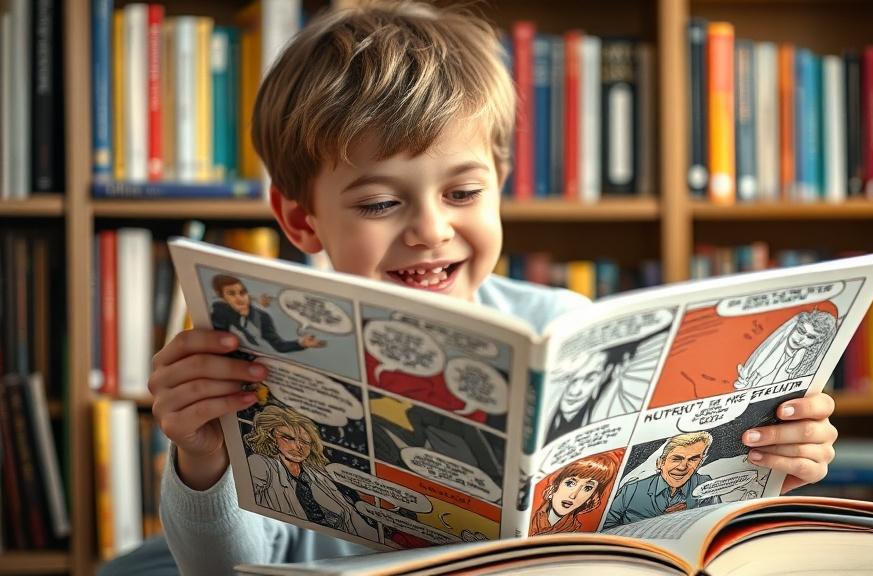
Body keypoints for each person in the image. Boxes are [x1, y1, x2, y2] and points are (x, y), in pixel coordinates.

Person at [142, 2, 838, 573]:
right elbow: (219, 570)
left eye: (464, 191)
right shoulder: (261, 356)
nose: (430, 229)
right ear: (301, 218)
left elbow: (651, 539)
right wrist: (202, 461)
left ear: (499, 183)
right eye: (381, 204)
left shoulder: (563, 324)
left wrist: (766, 473)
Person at [244, 405, 377, 542]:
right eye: (288, 438)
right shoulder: (260, 463)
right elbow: (242, 503)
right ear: (271, 438)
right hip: (284, 543)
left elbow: (350, 516)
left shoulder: (318, 475)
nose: (298, 447)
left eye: (304, 441)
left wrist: (380, 540)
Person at [602, 432, 721, 530]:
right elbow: (606, 528)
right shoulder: (631, 490)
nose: (682, 467)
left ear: (700, 463)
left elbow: (716, 525)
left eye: (693, 459)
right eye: (676, 459)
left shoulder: (705, 485)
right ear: (660, 463)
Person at [209, 274, 325, 353]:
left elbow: (279, 346)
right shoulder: (221, 310)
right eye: (231, 294)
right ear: (223, 298)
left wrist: (301, 343)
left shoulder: (262, 317)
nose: (239, 298)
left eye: (242, 292)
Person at [734, 309, 838, 390]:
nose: (801, 339)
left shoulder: (802, 363)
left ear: (816, 342)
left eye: (810, 337)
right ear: (792, 328)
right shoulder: (767, 353)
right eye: (801, 331)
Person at [530, 453, 618, 535]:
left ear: (592, 496)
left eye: (587, 488)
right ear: (556, 484)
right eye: (570, 483)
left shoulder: (574, 528)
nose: (573, 495)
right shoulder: (531, 516)